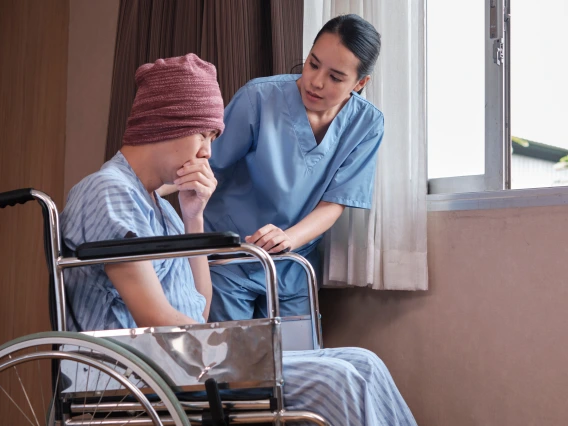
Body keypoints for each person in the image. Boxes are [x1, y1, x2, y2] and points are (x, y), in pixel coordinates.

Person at [61, 53, 416, 426]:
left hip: (183, 361)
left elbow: (198, 309)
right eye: (204, 135)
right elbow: (155, 318)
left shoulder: (159, 207)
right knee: (336, 379)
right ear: (165, 123)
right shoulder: (109, 192)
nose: (208, 153)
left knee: (364, 361)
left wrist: (193, 214)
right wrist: (239, 350)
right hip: (137, 372)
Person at [204, 14, 384, 321]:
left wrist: (290, 239)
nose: (316, 81)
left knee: (300, 363)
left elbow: (336, 202)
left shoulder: (367, 124)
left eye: (336, 77)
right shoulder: (259, 97)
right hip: (230, 255)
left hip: (292, 262)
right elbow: (208, 166)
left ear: (360, 83)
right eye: (313, 64)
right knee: (231, 363)